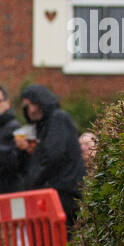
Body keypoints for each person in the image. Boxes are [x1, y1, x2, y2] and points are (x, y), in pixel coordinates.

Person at [17, 85, 86, 231]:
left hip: (63, 193)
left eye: (32, 105)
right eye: (27, 107)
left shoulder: (57, 118)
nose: (31, 110)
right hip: (56, 193)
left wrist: (33, 179)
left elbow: (53, 155)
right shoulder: (44, 126)